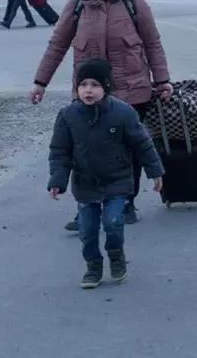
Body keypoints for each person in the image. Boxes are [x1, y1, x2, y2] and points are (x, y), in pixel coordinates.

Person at [30, 0, 173, 229]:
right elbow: (57, 44)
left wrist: (162, 80)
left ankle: (125, 203)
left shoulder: (133, 2)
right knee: (88, 150)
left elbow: (152, 43)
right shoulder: (78, 5)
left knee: (128, 149)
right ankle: (88, 208)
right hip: (89, 93)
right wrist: (40, 82)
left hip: (132, 90)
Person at [48, 58, 165, 289]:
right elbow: (59, 151)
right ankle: (93, 266)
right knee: (87, 230)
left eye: (95, 85)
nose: (88, 90)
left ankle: (116, 255)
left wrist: (155, 172)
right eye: (83, 85)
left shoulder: (123, 113)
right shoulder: (68, 116)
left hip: (118, 180)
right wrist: (57, 180)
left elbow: (142, 144)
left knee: (112, 222)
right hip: (85, 183)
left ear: (106, 88)